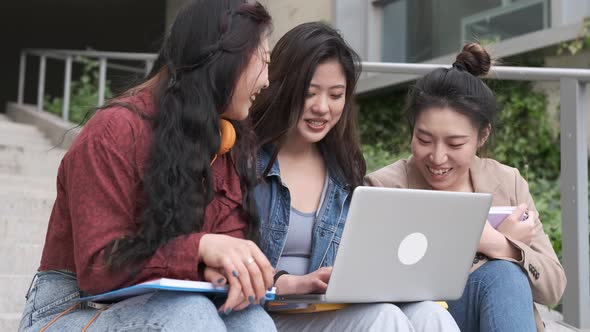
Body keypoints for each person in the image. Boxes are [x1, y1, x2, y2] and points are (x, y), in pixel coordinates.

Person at [19, 0, 278, 331]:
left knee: (253, 321)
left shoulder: (225, 139)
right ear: (226, 57)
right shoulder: (114, 130)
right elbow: (99, 268)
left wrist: (228, 270)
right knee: (190, 316)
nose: (267, 81)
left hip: (168, 302)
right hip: (70, 308)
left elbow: (225, 247)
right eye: (265, 62)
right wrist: (200, 248)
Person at [250, 22, 459, 332]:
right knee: (383, 320)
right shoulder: (245, 161)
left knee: (432, 315)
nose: (323, 108)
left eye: (336, 95)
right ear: (282, 87)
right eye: (310, 93)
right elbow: (226, 254)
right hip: (268, 313)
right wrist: (287, 282)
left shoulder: (343, 170)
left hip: (331, 310)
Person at [365, 43, 566, 332]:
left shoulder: (506, 182)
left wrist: (501, 245)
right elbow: (375, 289)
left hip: (497, 313)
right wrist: (483, 244)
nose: (437, 157)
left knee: (505, 275)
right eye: (424, 139)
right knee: (501, 273)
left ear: (482, 136)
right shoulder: (384, 187)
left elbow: (553, 287)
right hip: (422, 320)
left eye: (455, 143)